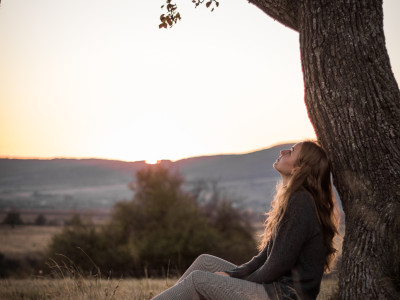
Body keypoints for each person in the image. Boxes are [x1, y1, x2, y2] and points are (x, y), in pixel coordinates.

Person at [152, 140, 339, 300]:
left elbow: (276, 266)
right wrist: (232, 275)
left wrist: (232, 281)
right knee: (205, 262)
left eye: (290, 152)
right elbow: (265, 257)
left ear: (298, 168)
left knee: (197, 280)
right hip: (274, 289)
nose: (283, 152)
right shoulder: (295, 199)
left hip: (284, 295)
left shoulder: (301, 201)